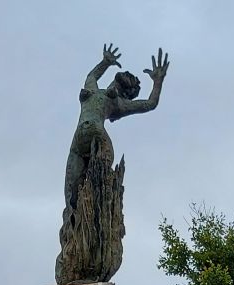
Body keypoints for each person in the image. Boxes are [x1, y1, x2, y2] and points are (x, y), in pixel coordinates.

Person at [63, 43, 169, 216]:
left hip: (90, 135)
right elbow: (91, 75)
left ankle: (96, 206)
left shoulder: (116, 102)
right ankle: (75, 217)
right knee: (71, 188)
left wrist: (158, 82)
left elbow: (149, 104)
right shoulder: (95, 90)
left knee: (97, 177)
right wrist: (105, 61)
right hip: (83, 139)